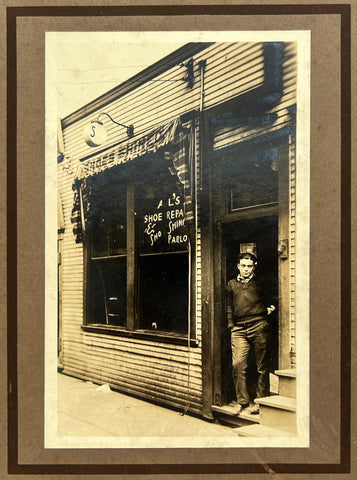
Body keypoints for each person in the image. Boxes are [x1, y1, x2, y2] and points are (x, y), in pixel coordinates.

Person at [226, 252, 276, 415]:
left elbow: (273, 300)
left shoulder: (261, 282)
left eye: (249, 266)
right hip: (239, 330)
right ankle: (242, 401)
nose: (246, 269)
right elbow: (229, 307)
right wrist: (232, 326)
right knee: (238, 365)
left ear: (254, 267)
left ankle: (261, 402)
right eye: (243, 266)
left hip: (258, 326)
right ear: (238, 266)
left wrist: (267, 311)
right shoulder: (231, 284)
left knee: (262, 366)